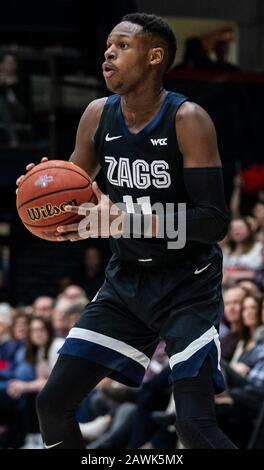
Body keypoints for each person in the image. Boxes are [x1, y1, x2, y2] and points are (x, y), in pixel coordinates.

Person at [16, 13, 236, 449]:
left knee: (193, 426)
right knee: (52, 403)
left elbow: (214, 222)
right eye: (106, 47)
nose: (108, 54)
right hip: (126, 280)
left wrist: (123, 220)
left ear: (155, 57)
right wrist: (46, 191)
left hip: (187, 283)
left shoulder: (188, 119)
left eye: (121, 46)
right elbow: (74, 196)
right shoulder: (97, 115)